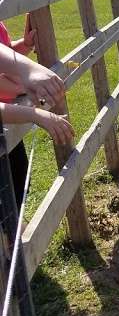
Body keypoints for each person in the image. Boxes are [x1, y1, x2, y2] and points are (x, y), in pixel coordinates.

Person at [0, 16, 73, 195]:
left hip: (7, 123)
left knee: (18, 183)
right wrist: (32, 112)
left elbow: (6, 52)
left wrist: (25, 45)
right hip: (8, 114)